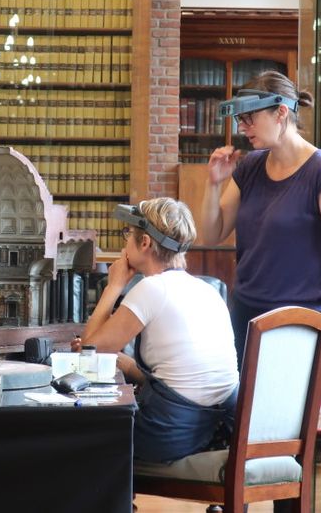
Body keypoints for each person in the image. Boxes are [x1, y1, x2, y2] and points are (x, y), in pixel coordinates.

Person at [200, 70, 321, 384]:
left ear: (281, 112)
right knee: (243, 411)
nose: (242, 128)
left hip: (301, 321)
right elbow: (212, 234)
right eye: (240, 120)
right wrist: (214, 183)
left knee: (286, 413)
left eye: (249, 119)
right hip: (247, 315)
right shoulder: (250, 166)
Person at [72, 198, 239, 463]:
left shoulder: (152, 289)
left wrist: (114, 286)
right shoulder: (207, 291)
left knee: (81, 437)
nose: (125, 244)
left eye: (128, 234)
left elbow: (89, 350)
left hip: (171, 433)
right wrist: (122, 363)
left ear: (145, 243)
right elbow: (183, 377)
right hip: (221, 431)